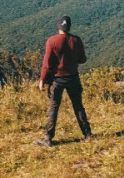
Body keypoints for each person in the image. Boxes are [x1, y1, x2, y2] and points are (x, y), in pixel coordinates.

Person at [37, 15, 92, 146]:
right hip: (73, 77)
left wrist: (42, 79)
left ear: (58, 26)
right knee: (78, 106)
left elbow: (47, 63)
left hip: (57, 79)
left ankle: (48, 138)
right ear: (70, 26)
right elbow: (82, 59)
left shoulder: (52, 41)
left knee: (54, 107)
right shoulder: (76, 40)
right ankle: (88, 134)